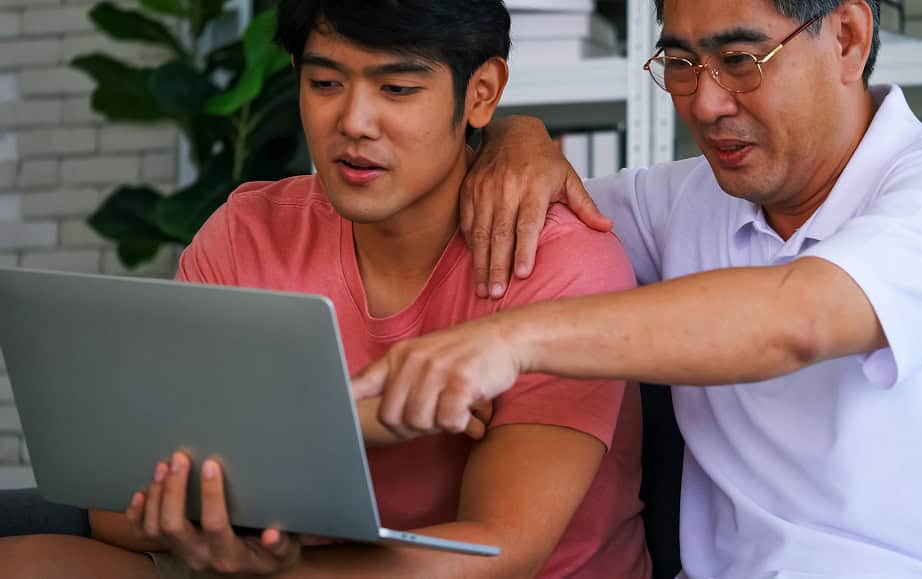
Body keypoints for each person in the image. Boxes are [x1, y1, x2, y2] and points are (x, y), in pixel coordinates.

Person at [352, 0, 922, 577]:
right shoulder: (683, 200)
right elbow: (547, 223)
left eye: (740, 60)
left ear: (848, 37)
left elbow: (797, 317)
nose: (704, 102)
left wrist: (509, 341)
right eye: (679, 63)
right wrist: (516, 134)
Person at [0, 1, 652, 577]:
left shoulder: (561, 259)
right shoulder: (248, 233)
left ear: (481, 93)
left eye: (396, 88)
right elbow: (118, 511)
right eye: (325, 82)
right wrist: (352, 422)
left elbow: (499, 550)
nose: (354, 121)